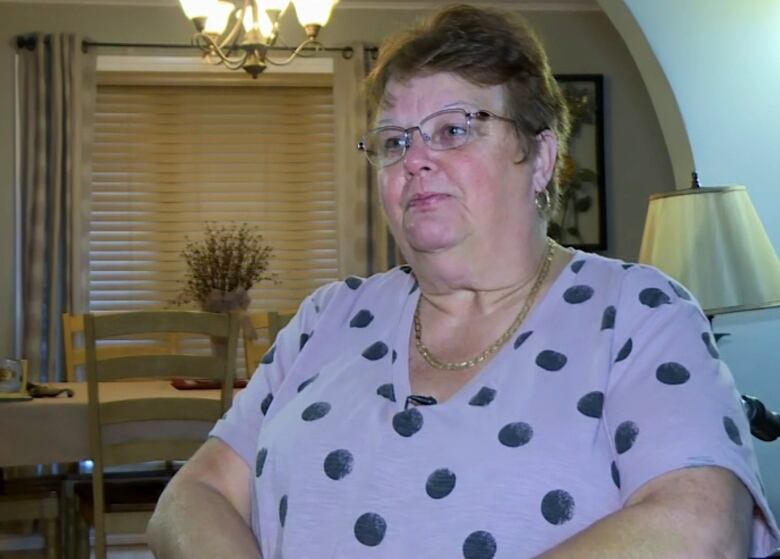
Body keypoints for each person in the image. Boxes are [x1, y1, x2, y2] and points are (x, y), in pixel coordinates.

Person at [147, 4, 780, 558]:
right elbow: (191, 497)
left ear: (540, 158)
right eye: (394, 140)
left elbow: (701, 531)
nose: (415, 158)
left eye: (453, 130)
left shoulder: (641, 315)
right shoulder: (327, 317)